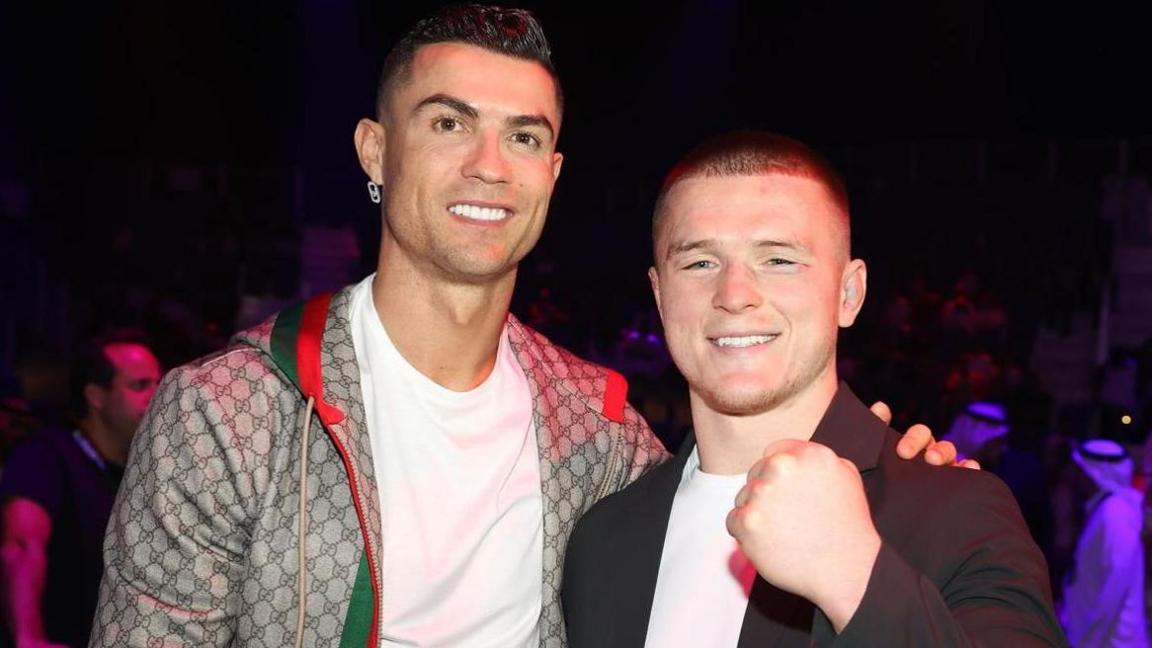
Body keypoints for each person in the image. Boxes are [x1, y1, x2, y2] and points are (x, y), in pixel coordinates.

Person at [91, 7, 959, 648]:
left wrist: (890, 465)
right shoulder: (226, 412)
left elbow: (727, 493)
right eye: (447, 123)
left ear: (552, 173)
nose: (487, 165)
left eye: (523, 136)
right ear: (374, 151)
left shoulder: (600, 427)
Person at [562, 131, 1064, 646]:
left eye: (778, 260)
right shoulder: (603, 538)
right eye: (700, 263)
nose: (734, 294)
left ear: (849, 294)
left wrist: (853, 574)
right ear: (661, 297)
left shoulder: (957, 511)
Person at [0, 331, 160, 648]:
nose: (156, 397)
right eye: (140, 386)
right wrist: (28, 636)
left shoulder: (150, 474)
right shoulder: (48, 456)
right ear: (96, 396)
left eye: (160, 385)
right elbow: (21, 544)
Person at [1061, 439, 1147, 647]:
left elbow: (1115, 583)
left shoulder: (1115, 512)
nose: (1073, 477)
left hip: (1113, 641)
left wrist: (1089, 642)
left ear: (1093, 473)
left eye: (1078, 470)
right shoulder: (1104, 509)